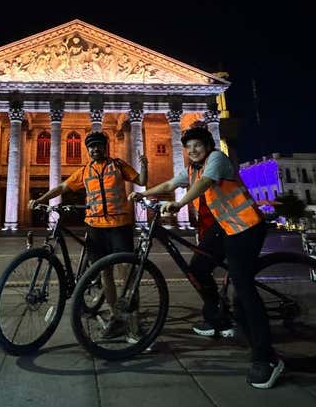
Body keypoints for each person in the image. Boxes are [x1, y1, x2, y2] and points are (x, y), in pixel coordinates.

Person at [128, 126, 284, 389]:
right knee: (198, 268)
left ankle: (267, 358)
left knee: (243, 290)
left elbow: (205, 184)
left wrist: (179, 203)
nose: (192, 151)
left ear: (208, 145)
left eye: (197, 145)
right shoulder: (192, 168)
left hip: (246, 227)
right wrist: (144, 193)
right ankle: (217, 318)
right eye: (188, 147)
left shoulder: (217, 159)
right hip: (225, 226)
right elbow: (170, 183)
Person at [29, 131, 148, 339]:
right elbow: (62, 187)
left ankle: (133, 319)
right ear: (88, 150)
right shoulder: (85, 171)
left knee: (126, 273)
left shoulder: (118, 165)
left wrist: (144, 165)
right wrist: (42, 199)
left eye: (98, 145)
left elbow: (142, 180)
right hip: (95, 227)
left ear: (105, 147)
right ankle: (115, 317)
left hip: (119, 225)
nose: (95, 149)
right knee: (105, 273)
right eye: (91, 147)